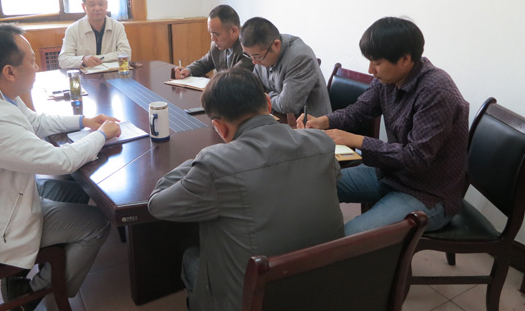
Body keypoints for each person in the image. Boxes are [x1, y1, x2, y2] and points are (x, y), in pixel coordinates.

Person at [0, 24, 122, 310]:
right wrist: (102, 135)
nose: (36, 66)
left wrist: (85, 122)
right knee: (96, 223)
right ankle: (33, 294)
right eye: (31, 61)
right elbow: (61, 161)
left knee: (75, 190)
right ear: (9, 71)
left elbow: (35, 122)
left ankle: (38, 270)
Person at [148, 68, 344, 311]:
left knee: (191, 258)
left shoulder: (214, 164)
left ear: (219, 127)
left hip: (254, 300)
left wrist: (201, 158)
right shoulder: (321, 142)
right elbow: (332, 179)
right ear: (268, 103)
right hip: (323, 288)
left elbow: (157, 204)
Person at [297, 17, 469, 236]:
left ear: (405, 59)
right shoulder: (388, 79)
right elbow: (359, 111)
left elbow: (416, 157)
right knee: (309, 186)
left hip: (428, 193)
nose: (371, 70)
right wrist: (324, 121)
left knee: (348, 239)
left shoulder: (436, 92)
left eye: (376, 63)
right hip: (391, 174)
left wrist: (356, 140)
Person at [240, 17, 332, 117]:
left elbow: (287, 105)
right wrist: (269, 96)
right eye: (249, 56)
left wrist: (263, 96)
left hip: (308, 122)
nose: (254, 62)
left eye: (257, 57)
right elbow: (252, 89)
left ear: (276, 45)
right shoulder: (261, 52)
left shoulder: (300, 58)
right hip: (277, 116)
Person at [173, 5, 253, 79]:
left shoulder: (249, 47)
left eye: (216, 34)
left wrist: (214, 79)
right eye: (210, 33)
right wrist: (188, 70)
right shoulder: (217, 45)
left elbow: (233, 78)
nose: (212, 39)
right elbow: (204, 63)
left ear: (234, 31)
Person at [58, 0, 132, 69]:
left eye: (101, 4)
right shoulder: (73, 29)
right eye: (92, 5)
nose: (97, 8)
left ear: (106, 5)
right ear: (84, 7)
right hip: (85, 75)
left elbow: (126, 54)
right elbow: (63, 60)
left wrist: (96, 59)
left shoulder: (117, 26)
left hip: (111, 74)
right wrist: (83, 59)